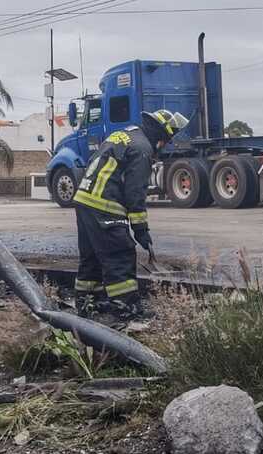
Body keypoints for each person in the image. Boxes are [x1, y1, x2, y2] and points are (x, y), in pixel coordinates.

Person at [72, 109, 189, 321]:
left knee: (92, 257)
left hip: (84, 200)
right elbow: (135, 193)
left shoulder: (126, 134)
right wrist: (141, 229)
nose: (163, 146)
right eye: (165, 140)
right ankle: (126, 309)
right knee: (120, 254)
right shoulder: (143, 149)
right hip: (104, 204)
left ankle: (88, 304)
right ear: (159, 135)